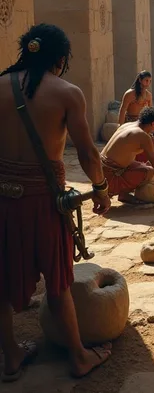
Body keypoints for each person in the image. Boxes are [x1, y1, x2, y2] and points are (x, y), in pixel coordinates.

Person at [0, 24, 112, 381]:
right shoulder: (67, 92)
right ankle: (79, 356)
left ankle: (12, 355)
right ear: (60, 58)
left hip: (3, 197)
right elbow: (87, 152)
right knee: (59, 281)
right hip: (45, 201)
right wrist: (101, 188)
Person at [101, 107, 154, 204]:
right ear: (153, 123)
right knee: (149, 171)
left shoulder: (127, 125)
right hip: (110, 174)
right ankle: (123, 193)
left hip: (101, 168)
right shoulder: (142, 135)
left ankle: (124, 193)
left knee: (143, 165)